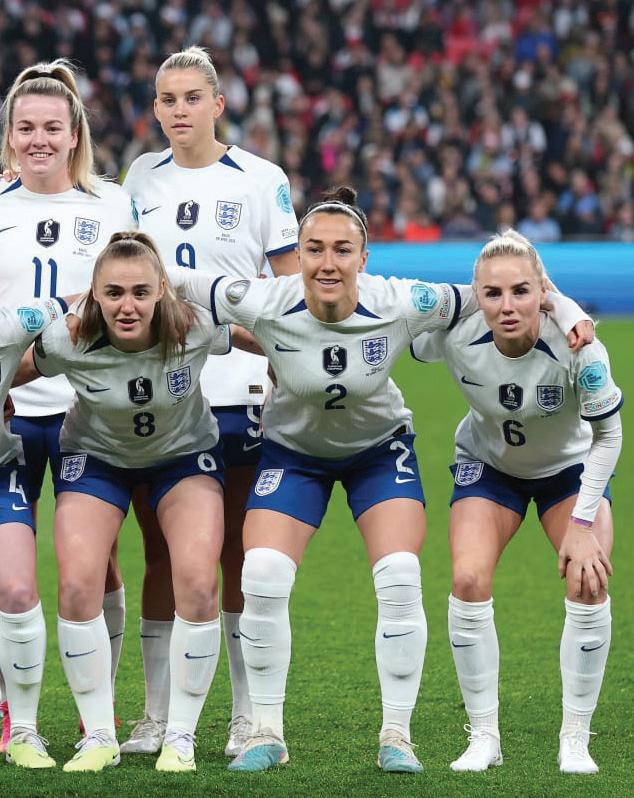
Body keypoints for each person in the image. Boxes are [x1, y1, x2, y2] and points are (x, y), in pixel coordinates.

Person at [167, 184, 501, 774]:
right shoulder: (262, 299)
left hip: (378, 452)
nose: (327, 263)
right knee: (261, 573)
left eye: (342, 250)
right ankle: (266, 732)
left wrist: (568, 315)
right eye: (314, 249)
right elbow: (171, 280)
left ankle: (397, 735)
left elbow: (493, 292)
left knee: (399, 576)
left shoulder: (401, 300)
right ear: (296, 254)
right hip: (294, 453)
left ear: (363, 258)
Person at [120, 45, 299, 757]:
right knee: (161, 553)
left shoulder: (262, 179)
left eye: (192, 97)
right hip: (162, 394)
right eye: (167, 99)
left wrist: (283, 362)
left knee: (237, 555)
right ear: (156, 108)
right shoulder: (140, 176)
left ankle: (247, 715)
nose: (179, 110)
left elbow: (288, 289)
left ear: (218, 104)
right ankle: (155, 715)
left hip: (240, 390)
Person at [16, 232, 245, 773]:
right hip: (96, 459)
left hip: (183, 458)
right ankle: (99, 736)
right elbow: (18, 366)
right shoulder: (68, 337)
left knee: (197, 581)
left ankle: (180, 737)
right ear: (93, 294)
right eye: (114, 293)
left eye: (141, 292)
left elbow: (264, 334)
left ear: (162, 289)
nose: (128, 306)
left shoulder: (194, 326)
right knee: (78, 584)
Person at [410, 229, 622, 774]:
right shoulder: (456, 334)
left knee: (588, 580)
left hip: (569, 472)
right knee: (467, 580)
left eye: (521, 291)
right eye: (493, 293)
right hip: (489, 467)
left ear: (542, 293)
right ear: (476, 296)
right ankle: (484, 736)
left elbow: (609, 437)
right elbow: (398, 327)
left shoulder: (580, 348)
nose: (507, 306)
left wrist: (582, 524)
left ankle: (576, 737)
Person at [0, 59, 135, 739]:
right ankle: (10, 710)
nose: (39, 140)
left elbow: (135, 297)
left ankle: (96, 709)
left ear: (75, 133)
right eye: (26, 127)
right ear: (9, 135)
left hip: (91, 411)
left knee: (97, 566)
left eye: (52, 127)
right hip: (10, 414)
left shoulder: (111, 205)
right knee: (9, 575)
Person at [0, 295, 71, 768]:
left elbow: (71, 303)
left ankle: (22, 727)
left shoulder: (11, 324)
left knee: (17, 590)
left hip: (0, 471)